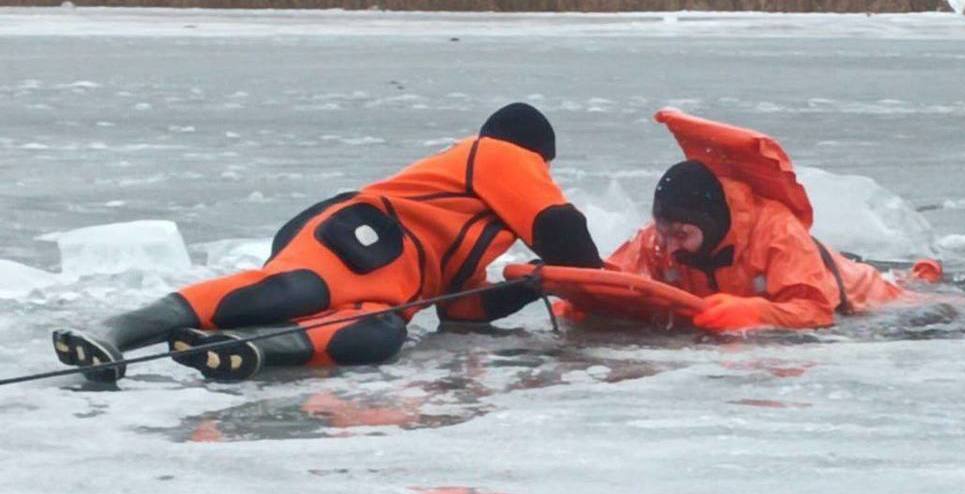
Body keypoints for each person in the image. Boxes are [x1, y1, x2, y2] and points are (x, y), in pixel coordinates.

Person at [52, 102, 602, 384]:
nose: (540, 179)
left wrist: (531, 286)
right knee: (288, 292)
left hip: (387, 293)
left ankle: (251, 348)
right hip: (353, 242)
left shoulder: (479, 230)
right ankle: (117, 331)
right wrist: (600, 284)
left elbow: (461, 310)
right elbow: (563, 231)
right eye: (542, 170)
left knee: (379, 336)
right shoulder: (496, 153)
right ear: (537, 158)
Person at [604, 111, 939, 332]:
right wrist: (586, 303)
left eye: (681, 235)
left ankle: (923, 279)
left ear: (711, 223)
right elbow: (614, 279)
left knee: (934, 302)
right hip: (793, 279)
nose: (670, 247)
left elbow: (815, 311)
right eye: (664, 234)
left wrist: (754, 313)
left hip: (860, 295)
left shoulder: (776, 231)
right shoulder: (659, 239)